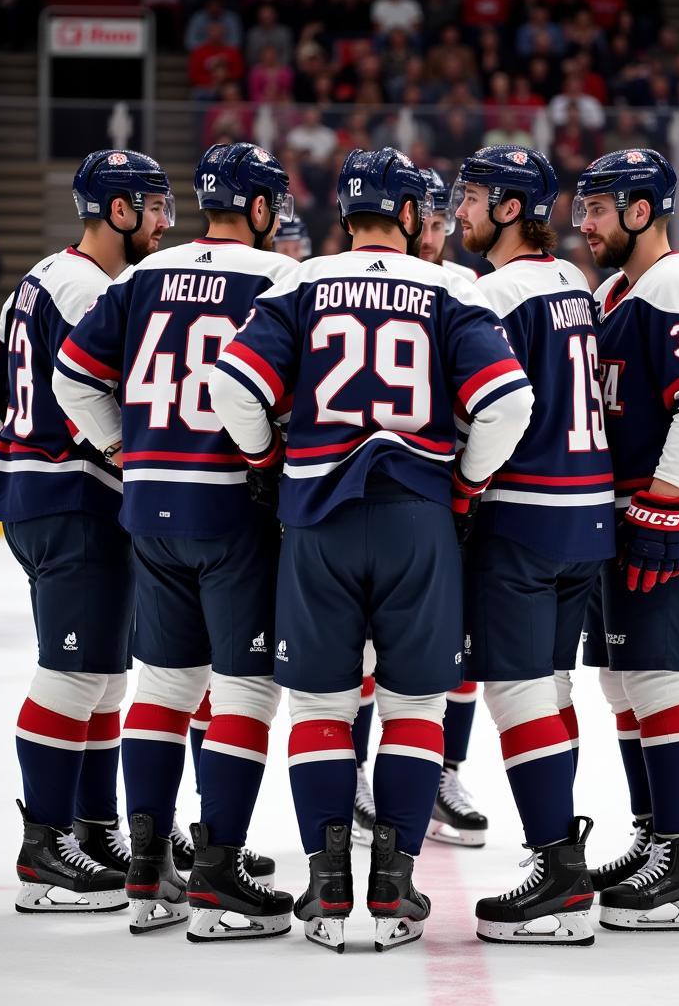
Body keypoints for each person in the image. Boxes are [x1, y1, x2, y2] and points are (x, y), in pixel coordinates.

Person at [209, 147, 533, 953]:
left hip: (315, 516)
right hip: (417, 517)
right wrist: (463, 482)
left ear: (345, 214)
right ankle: (393, 890)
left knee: (321, 707)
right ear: (413, 216)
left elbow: (235, 387)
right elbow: (507, 400)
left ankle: (326, 887)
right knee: (416, 708)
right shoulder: (449, 286)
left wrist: (263, 463)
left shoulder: (298, 280)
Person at [52, 142, 296, 942]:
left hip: (151, 508)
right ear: (259, 208)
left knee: (162, 683)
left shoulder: (137, 278)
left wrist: (124, 449)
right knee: (245, 688)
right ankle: (219, 872)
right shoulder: (277, 278)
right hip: (234, 508)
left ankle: (149, 871)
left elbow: (72, 377)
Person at [0, 149, 172, 915]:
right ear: (117, 211)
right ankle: (43, 853)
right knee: (74, 674)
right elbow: (103, 385)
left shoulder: (47, 274)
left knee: (104, 675)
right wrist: (73, 448)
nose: (163, 222)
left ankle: (92, 826)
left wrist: (18, 442)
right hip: (73, 501)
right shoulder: (89, 289)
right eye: (152, 206)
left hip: (53, 498)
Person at [452, 144, 612, 946]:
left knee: (516, 695)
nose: (461, 211)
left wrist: (461, 485)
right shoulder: (572, 283)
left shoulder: (495, 293)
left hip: (522, 515)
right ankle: (561, 856)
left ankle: (558, 873)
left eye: (474, 196)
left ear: (512, 206)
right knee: (549, 690)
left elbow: (489, 409)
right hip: (585, 514)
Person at [574, 149, 679, 932]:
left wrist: (666, 503)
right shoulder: (615, 290)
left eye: (599, 208)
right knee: (624, 683)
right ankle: (653, 838)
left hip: (668, 514)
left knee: (659, 678)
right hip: (632, 511)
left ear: (642, 210)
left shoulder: (677, 284)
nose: (585, 223)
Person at [348, 166, 488, 848]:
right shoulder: (354, 282)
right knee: (363, 652)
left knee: (453, 651)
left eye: (441, 223)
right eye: (426, 221)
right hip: (387, 499)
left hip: (447, 498)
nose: (434, 233)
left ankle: (441, 771)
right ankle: (352, 773)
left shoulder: (462, 290)